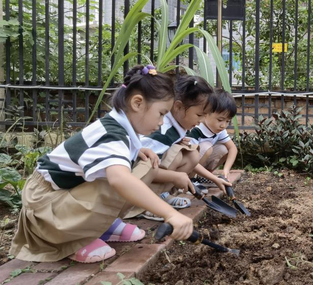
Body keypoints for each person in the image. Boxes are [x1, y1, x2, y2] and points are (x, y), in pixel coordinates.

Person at [10, 65, 194, 263]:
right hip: (45, 207)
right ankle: (73, 239)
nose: (161, 122)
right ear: (138, 103)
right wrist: (170, 214)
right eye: (161, 114)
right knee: (122, 180)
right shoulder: (111, 135)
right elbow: (118, 179)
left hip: (60, 199)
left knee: (146, 166)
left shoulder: (118, 129)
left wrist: (137, 150)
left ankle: (102, 226)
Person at [135, 75, 231, 220]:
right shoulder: (162, 131)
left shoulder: (178, 127)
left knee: (190, 153)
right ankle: (144, 205)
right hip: (134, 185)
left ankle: (161, 196)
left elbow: (193, 162)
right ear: (178, 106)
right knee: (179, 152)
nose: (200, 122)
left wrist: (215, 179)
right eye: (199, 115)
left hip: (147, 176)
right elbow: (140, 170)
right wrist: (175, 176)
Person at [187, 88, 238, 182]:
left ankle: (206, 174)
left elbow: (233, 148)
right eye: (220, 120)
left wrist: (226, 169)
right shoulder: (196, 129)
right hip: (188, 165)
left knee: (224, 148)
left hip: (201, 163)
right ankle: (191, 179)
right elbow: (188, 158)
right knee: (207, 147)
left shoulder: (220, 130)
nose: (223, 125)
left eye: (227, 121)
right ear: (206, 113)